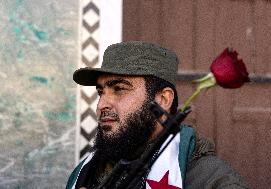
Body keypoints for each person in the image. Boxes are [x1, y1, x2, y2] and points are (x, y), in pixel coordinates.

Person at [66, 41, 249, 189]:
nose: (101, 105)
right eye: (101, 92)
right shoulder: (85, 173)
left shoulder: (212, 181)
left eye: (119, 89)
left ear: (163, 99)